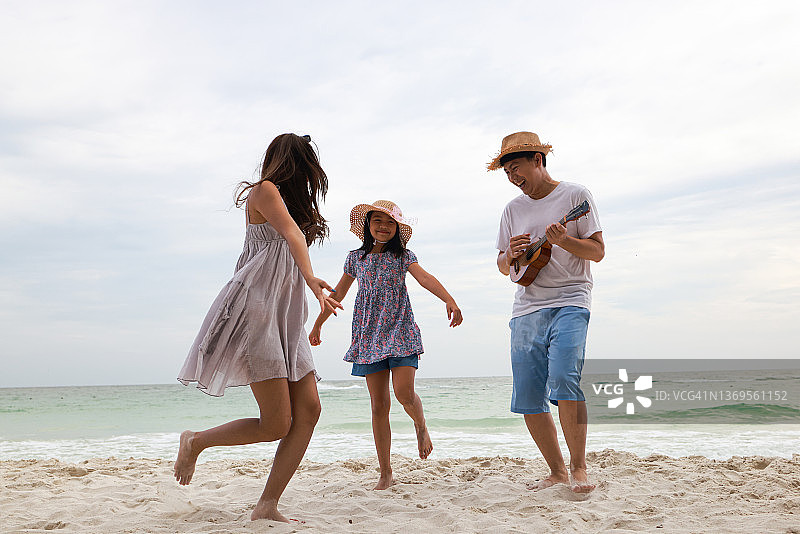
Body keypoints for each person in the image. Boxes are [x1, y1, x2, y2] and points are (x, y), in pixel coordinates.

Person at [174, 133, 342, 522]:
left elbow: (295, 237)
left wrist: (309, 287)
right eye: (304, 168)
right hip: (257, 312)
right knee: (276, 423)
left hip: (287, 318)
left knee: (310, 410)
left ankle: (267, 504)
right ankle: (196, 441)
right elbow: (292, 236)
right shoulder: (263, 190)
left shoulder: (289, 206)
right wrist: (312, 279)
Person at [308, 200, 463, 490]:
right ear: (367, 224)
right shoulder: (355, 258)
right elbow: (337, 295)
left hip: (401, 329)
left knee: (404, 393)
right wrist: (318, 324)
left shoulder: (403, 256)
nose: (383, 226)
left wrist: (449, 299)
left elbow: (424, 278)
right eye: (377, 220)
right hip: (368, 335)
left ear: (397, 229)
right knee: (379, 405)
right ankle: (385, 472)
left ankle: (420, 424)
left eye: (390, 222)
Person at [489, 131, 604, 493]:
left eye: (516, 168)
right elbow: (503, 265)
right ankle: (556, 472)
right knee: (527, 395)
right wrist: (511, 254)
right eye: (507, 172)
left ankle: (579, 468)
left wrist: (564, 240)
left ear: (538, 160)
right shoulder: (512, 210)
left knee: (565, 378)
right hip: (527, 307)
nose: (512, 177)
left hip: (571, 299)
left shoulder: (575, 196)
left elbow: (597, 252)